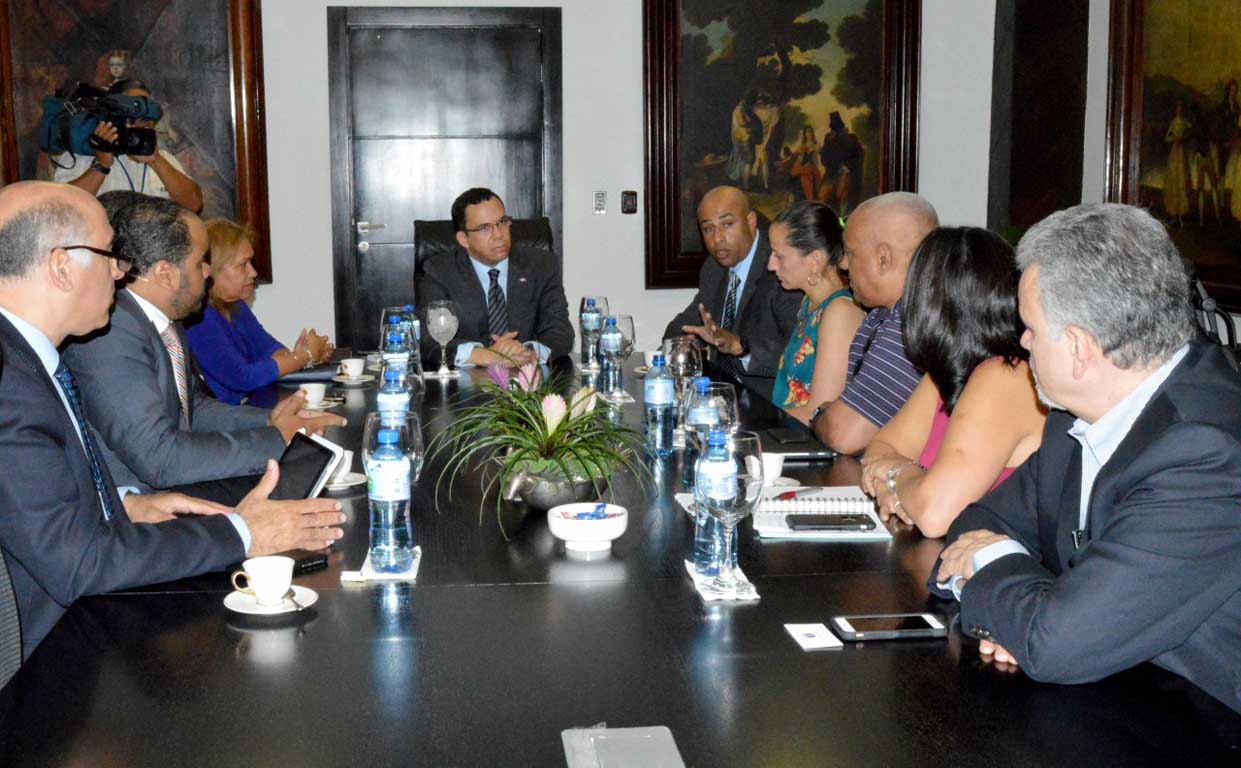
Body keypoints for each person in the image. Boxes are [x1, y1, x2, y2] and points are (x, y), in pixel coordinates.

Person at [0, 181, 345, 657]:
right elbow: (77, 562)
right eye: (109, 255)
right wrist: (244, 532)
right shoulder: (11, 384)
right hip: (49, 656)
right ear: (62, 267)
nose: (121, 272)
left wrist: (120, 505)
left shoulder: (27, 359)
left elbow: (43, 507)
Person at [932, 202, 1241, 714]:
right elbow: (977, 520)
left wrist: (1032, 611)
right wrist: (1033, 617)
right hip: (1114, 701)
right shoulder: (1073, 416)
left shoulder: (1206, 454)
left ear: (1079, 348)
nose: (1023, 341)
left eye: (1029, 326)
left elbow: (1055, 644)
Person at [61, 197, 344, 503]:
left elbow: (193, 410)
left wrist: (268, 419)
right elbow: (160, 458)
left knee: (318, 487)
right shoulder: (112, 334)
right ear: (165, 274)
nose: (208, 272)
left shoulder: (164, 319)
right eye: (199, 262)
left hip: (175, 486)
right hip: (142, 508)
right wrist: (277, 438)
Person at [859, 227, 1045, 537]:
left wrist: (900, 477)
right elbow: (880, 449)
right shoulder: (949, 373)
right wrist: (906, 489)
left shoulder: (1005, 376)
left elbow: (935, 514)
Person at [809, 192, 937, 454]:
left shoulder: (913, 322)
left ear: (883, 258)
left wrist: (819, 413)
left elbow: (843, 433)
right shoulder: (882, 314)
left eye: (850, 253)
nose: (843, 264)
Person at [415, 187, 573, 369]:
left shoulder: (541, 265)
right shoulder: (439, 271)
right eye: (484, 228)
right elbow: (428, 340)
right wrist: (489, 356)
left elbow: (560, 331)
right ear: (463, 239)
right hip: (466, 387)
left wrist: (527, 351)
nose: (499, 235)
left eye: (502, 222)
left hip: (528, 381)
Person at [185, 218, 333, 407]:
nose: (253, 272)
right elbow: (243, 377)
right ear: (212, 270)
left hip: (249, 410)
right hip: (225, 424)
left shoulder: (236, 306)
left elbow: (269, 350)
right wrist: (305, 356)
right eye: (243, 264)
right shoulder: (200, 318)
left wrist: (300, 356)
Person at [663, 186, 800, 379]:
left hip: (767, 398)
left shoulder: (780, 269)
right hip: (721, 391)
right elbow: (688, 321)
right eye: (708, 228)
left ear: (750, 221)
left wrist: (739, 347)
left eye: (727, 224)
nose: (717, 238)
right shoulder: (713, 268)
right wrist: (678, 344)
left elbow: (797, 352)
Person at [767, 201, 864, 423]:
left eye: (779, 255)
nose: (771, 265)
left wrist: (752, 421)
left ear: (815, 260)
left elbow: (819, 413)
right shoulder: (808, 304)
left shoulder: (839, 312)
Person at [49, 79, 202, 213]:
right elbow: (63, 209)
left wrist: (156, 161)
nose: (143, 117)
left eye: (147, 109)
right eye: (134, 108)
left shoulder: (162, 158)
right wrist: (101, 165)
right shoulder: (82, 156)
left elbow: (194, 205)